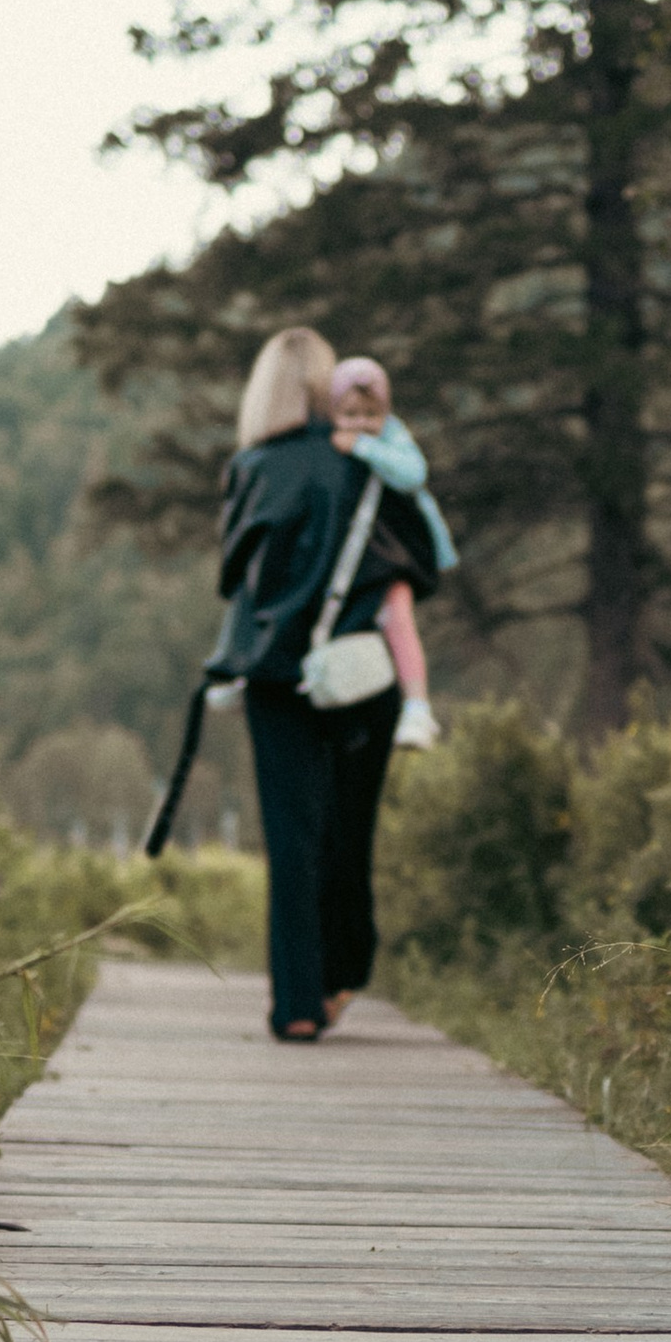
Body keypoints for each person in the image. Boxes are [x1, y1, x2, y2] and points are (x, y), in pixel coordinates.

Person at [209, 324, 441, 1041]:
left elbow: (235, 578)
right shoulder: (363, 459)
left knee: (291, 841)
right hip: (358, 674)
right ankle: (345, 968)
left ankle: (297, 1005)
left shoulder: (249, 468)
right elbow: (417, 562)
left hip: (276, 677)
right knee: (348, 832)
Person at [326, 354, 457, 751]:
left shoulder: (389, 439)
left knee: (397, 615)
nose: (361, 423)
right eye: (350, 414)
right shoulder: (324, 444)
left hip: (392, 553)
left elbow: (413, 474)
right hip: (348, 560)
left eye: (371, 414)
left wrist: (364, 446)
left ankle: (416, 705)